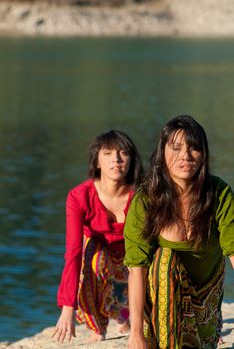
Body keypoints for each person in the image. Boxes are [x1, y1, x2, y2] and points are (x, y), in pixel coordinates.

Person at [124, 115, 234, 349]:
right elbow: (136, 269)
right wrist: (135, 333)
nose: (185, 156)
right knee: (165, 260)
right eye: (175, 148)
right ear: (162, 152)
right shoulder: (146, 199)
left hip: (203, 307)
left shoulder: (219, 193)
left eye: (193, 148)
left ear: (203, 154)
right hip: (157, 309)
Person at [52, 129, 143, 344]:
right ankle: (98, 326)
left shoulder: (140, 194)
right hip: (96, 257)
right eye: (108, 153)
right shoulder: (79, 196)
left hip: (131, 256)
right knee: (93, 255)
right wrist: (68, 307)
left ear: (131, 159)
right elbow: (73, 253)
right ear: (98, 160)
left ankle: (124, 316)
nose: (116, 160)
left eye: (123, 153)